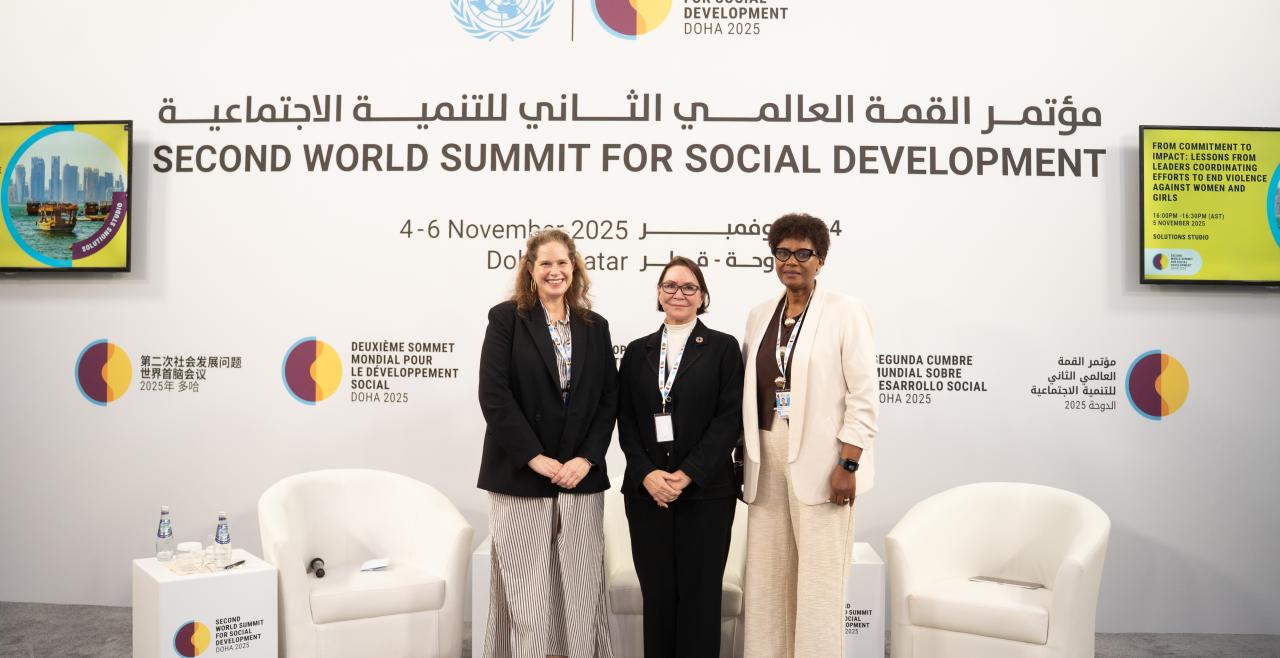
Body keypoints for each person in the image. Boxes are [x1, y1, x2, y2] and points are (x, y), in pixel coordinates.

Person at [740, 213, 879, 658]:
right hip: (766, 456)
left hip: (825, 461)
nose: (791, 262)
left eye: (803, 253)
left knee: (819, 585)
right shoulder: (760, 315)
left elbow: (864, 395)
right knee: (767, 583)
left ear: (821, 259)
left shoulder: (845, 311)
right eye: (782, 253)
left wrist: (848, 463)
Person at [477, 228, 617, 658]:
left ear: (574, 267)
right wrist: (533, 457)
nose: (555, 271)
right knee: (527, 595)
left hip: (580, 478)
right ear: (530, 269)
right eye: (545, 264)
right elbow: (494, 395)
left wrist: (587, 459)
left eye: (562, 262)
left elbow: (608, 400)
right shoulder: (506, 319)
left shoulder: (595, 326)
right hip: (521, 475)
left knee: (581, 588)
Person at [616, 256, 744, 658]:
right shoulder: (637, 351)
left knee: (700, 600)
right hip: (647, 494)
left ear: (702, 296)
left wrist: (687, 473)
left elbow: (729, 419)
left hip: (706, 494)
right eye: (670, 286)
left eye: (690, 287)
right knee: (657, 598)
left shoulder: (723, 348)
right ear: (659, 293)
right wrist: (647, 474)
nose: (679, 294)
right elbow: (626, 421)